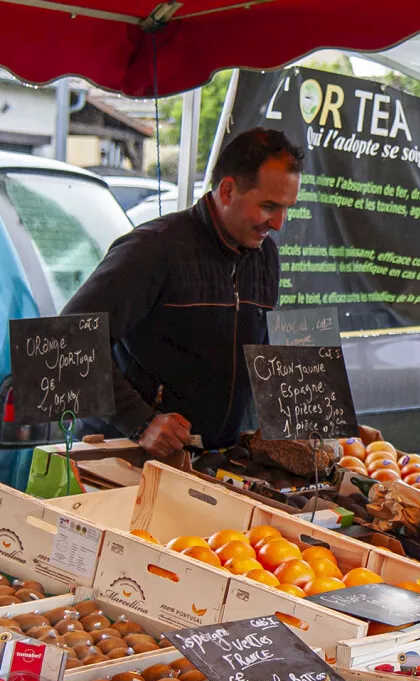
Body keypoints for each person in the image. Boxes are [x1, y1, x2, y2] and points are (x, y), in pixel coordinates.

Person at [64, 127, 303, 458]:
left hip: (211, 461)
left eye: (286, 208)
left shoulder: (266, 256)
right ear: (228, 190)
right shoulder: (152, 249)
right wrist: (140, 422)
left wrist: (294, 413)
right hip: (128, 460)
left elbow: (255, 348)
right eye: (268, 206)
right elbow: (67, 338)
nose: (278, 222)